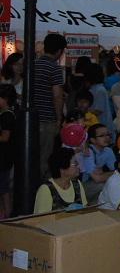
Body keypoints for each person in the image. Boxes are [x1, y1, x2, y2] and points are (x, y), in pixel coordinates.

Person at [34, 33, 67, 177]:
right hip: (47, 119)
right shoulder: (54, 68)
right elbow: (57, 96)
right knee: (44, 157)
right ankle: (39, 191)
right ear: (59, 51)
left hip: (31, 119)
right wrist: (59, 119)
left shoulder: (33, 65)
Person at [34, 147, 87, 213]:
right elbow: (40, 220)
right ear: (62, 169)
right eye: (75, 164)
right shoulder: (46, 189)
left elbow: (85, 211)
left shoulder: (77, 184)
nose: (79, 166)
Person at [79, 123, 117, 203]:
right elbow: (97, 179)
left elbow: (117, 172)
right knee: (107, 186)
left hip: (95, 184)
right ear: (93, 140)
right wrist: (111, 173)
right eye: (102, 136)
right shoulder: (88, 152)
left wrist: (104, 174)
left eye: (108, 134)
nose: (107, 138)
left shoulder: (108, 150)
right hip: (82, 186)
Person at [0, 84, 17, 218]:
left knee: (4, 187)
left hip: (4, 157)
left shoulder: (7, 116)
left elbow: (5, 137)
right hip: (5, 157)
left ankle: (7, 213)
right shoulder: (8, 114)